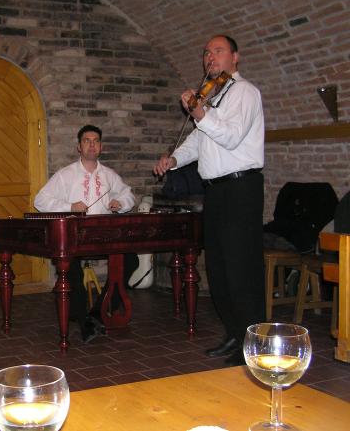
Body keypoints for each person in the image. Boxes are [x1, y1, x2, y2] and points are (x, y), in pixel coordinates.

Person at [154, 35, 265, 366]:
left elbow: (230, 136)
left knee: (241, 267)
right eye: (206, 52)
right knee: (218, 267)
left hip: (240, 189)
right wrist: (174, 159)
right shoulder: (215, 96)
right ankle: (234, 333)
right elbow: (197, 141)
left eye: (218, 51)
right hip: (215, 191)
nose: (210, 57)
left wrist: (200, 112)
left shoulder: (245, 92)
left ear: (235, 57)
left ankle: (252, 343)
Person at [34, 124, 137, 343]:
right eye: (87, 141)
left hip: (104, 234)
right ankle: (83, 320)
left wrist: (120, 203)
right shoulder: (66, 174)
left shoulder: (109, 175)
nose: (92, 145)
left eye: (96, 141)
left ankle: (99, 311)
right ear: (79, 147)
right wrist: (69, 206)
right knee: (69, 266)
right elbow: (40, 200)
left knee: (130, 260)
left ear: (101, 147)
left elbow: (129, 195)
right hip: (75, 235)